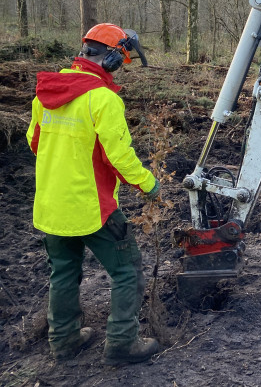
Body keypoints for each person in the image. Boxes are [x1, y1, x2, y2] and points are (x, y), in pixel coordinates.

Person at [26, 23, 160, 365]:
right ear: (113, 59)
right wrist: (148, 184)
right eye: (123, 61)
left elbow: (34, 142)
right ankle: (121, 344)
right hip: (90, 206)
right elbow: (120, 157)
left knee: (65, 272)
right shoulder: (102, 99)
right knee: (127, 269)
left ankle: (64, 340)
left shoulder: (47, 93)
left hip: (51, 205)